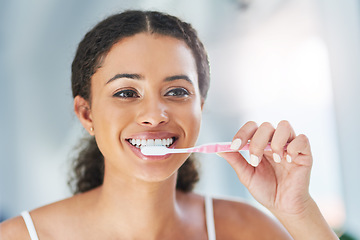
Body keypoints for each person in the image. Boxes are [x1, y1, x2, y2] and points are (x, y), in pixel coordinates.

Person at [0, 10, 338, 239]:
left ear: (200, 107)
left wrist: (298, 211)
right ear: (86, 114)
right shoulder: (21, 235)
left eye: (176, 91)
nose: (155, 114)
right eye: (127, 92)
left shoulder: (245, 229)